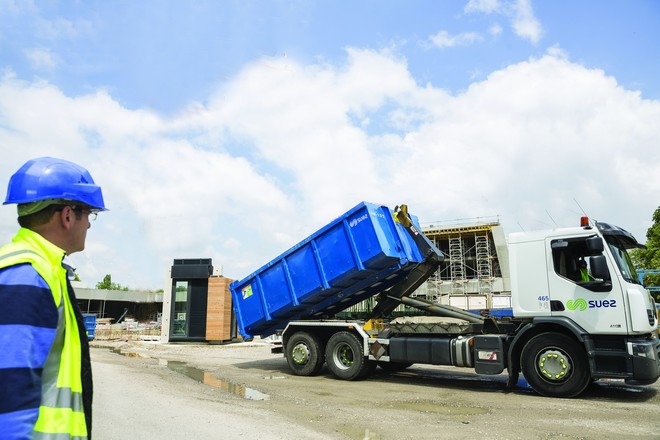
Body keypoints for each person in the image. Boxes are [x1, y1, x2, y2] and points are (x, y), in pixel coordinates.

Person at [0, 157, 107, 439]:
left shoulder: (44, 270)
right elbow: (9, 389)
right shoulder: (27, 275)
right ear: (68, 216)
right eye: (89, 215)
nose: (89, 226)